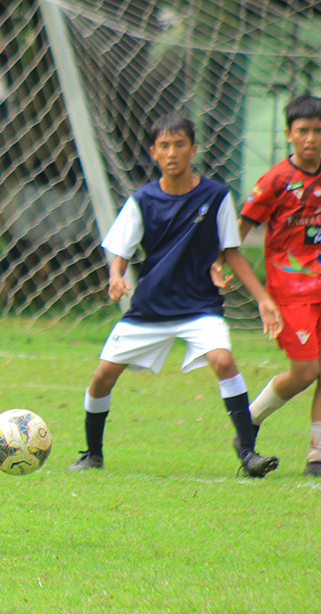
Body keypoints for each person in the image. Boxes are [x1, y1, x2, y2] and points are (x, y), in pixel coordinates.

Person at [69, 114, 283, 477]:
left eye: (179, 144)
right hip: (150, 308)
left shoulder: (215, 197)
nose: (172, 152)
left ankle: (248, 454)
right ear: (153, 152)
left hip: (199, 306)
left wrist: (263, 299)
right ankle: (92, 453)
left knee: (223, 361)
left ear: (193, 149)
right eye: (164, 146)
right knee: (102, 377)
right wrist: (116, 276)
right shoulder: (142, 200)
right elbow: (120, 250)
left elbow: (231, 251)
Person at [238, 94, 321, 476]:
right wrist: (220, 265)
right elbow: (238, 229)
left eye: (318, 131)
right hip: (291, 292)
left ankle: (317, 456)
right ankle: (247, 422)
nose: (311, 139)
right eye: (303, 131)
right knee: (305, 372)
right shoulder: (276, 180)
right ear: (288, 134)